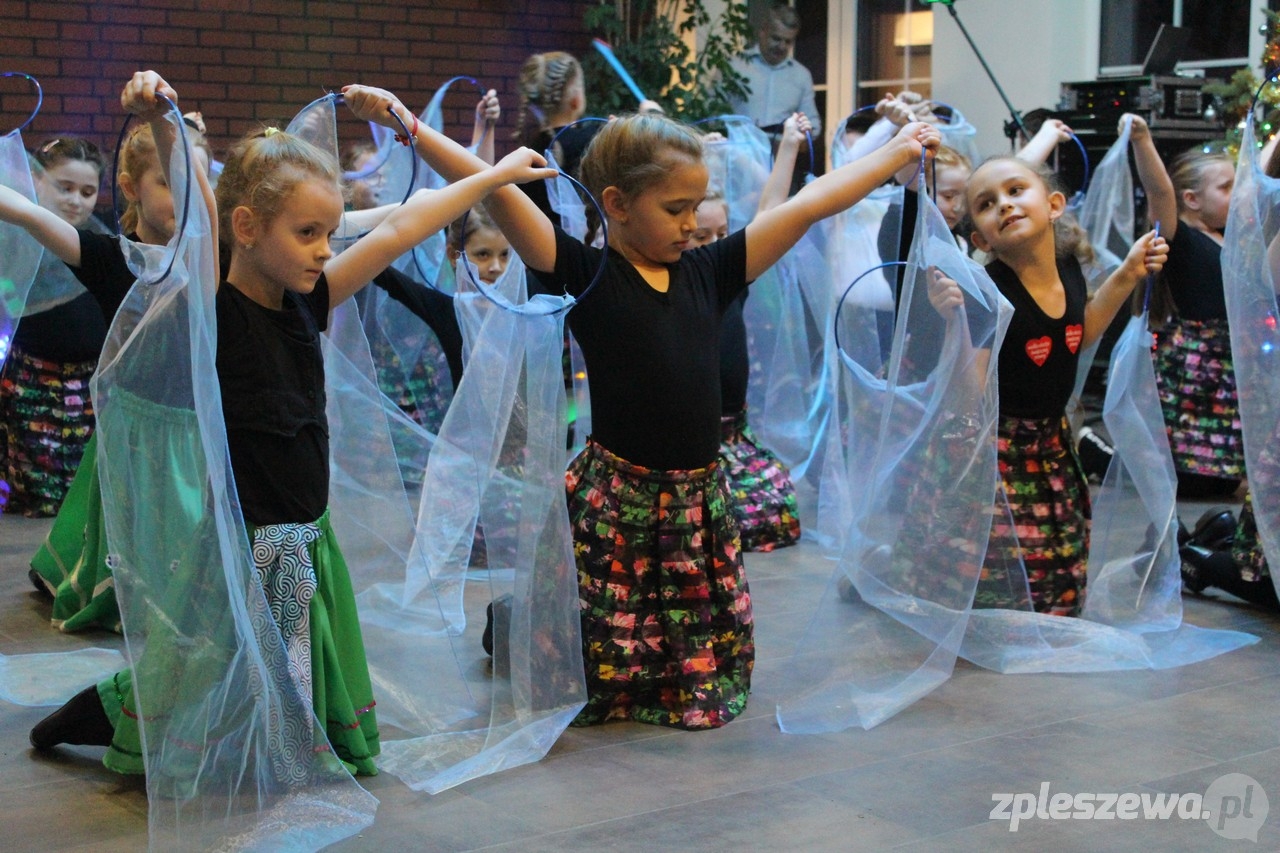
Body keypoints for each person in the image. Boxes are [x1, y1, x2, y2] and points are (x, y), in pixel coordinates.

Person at [354, 79, 941, 727]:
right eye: (676, 208)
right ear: (618, 204)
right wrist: (407, 122)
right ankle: (516, 627)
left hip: (697, 494)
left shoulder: (711, 270)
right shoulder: (584, 271)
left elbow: (807, 207)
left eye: (698, 206)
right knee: (604, 638)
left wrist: (896, 155)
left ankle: (629, 661)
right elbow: (493, 185)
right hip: (620, 495)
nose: (692, 223)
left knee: (686, 629)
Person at [27, 72, 557, 776]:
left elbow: (404, 224)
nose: (324, 249)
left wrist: (493, 176)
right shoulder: (213, 301)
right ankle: (95, 713)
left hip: (308, 536)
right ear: (246, 229)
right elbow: (196, 208)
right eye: (307, 232)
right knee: (201, 674)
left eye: (330, 233)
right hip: (239, 546)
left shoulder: (316, 297)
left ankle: (284, 738)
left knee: (281, 670)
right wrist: (162, 116)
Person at [927, 156, 1167, 616]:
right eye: (987, 203)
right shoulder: (986, 293)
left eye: (1016, 190)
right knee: (995, 586)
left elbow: (1079, 333)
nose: (1005, 205)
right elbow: (966, 397)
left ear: (1054, 204)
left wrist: (1130, 271)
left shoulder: (1069, 267)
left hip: (1050, 442)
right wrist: (956, 324)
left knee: (1055, 589)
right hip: (995, 448)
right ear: (980, 238)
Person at [0, 137, 108, 517]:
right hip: (31, 383)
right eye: (65, 187)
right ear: (36, 179)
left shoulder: (103, 241)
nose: (76, 200)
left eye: (88, 191)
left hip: (89, 390)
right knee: (39, 496)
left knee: (81, 498)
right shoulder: (11, 241)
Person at [1140, 146, 1243, 498]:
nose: (1237, 194)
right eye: (1226, 187)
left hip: (1231, 359)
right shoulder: (1179, 238)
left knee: (1224, 475)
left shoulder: (1228, 236)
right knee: (1198, 477)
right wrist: (1141, 139)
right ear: (1191, 199)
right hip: (1199, 367)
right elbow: (1159, 191)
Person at [728, 4, 821, 142]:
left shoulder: (801, 76)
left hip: (781, 155)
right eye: (776, 39)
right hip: (736, 154)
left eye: (788, 41)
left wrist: (801, 139)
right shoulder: (734, 67)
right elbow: (710, 115)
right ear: (762, 32)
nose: (782, 46)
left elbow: (813, 126)